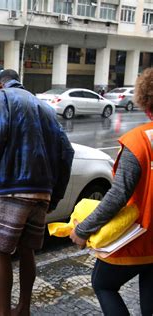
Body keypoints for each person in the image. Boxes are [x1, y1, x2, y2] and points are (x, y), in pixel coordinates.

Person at [0, 69, 74, 316]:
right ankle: (23, 309)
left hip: (12, 189)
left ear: (0, 84)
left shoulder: (0, 98)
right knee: (27, 251)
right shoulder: (44, 108)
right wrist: (55, 195)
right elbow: (67, 152)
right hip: (42, 193)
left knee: (1, 252)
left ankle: (3, 312)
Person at [70, 68, 153, 316]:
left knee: (103, 283)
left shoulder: (140, 141)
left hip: (140, 235)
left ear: (145, 99)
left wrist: (83, 229)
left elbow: (117, 196)